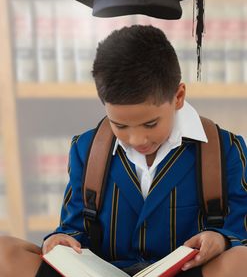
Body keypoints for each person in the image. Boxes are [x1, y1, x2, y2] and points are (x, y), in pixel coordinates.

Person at [0, 25, 246, 277]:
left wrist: (221, 239)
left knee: (241, 261)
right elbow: (74, 226)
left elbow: (239, 228)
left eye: (150, 124)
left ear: (178, 96)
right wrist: (61, 239)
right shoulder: (86, 148)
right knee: (4, 253)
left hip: (184, 273)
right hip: (106, 272)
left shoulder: (224, 148)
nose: (137, 138)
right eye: (120, 125)